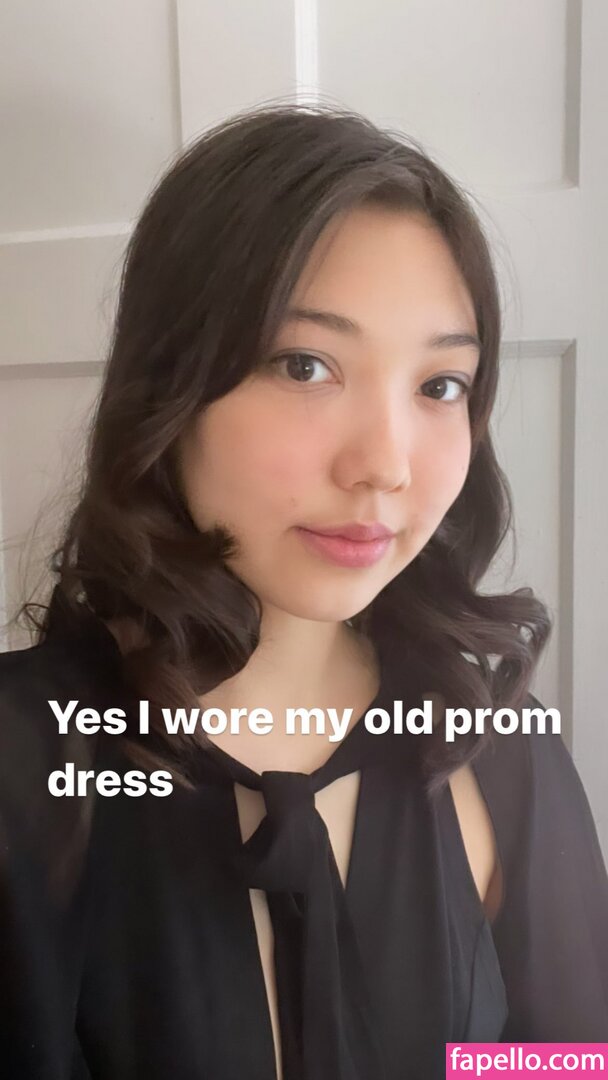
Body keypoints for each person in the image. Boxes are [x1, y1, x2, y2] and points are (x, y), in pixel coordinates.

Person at [1, 103, 607, 1080]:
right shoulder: (26, 764)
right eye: (305, 365)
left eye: (440, 385)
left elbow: (558, 1060)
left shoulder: (494, 746)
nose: (385, 466)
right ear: (171, 386)